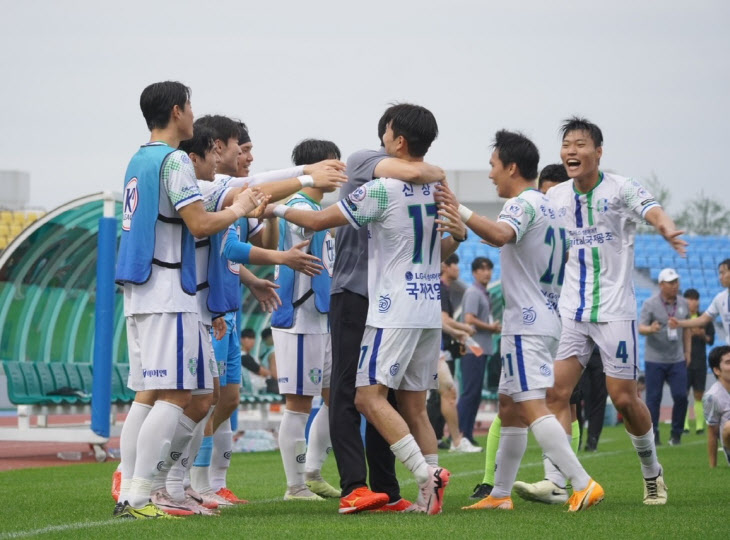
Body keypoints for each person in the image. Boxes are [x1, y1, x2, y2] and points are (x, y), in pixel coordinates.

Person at [270, 103, 467, 515]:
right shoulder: (434, 188)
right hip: (425, 304)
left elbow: (321, 220)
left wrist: (272, 207)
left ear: (396, 139)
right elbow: (442, 242)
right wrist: (444, 189)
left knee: (363, 396)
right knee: (403, 403)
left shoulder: (379, 186)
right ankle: (398, 491)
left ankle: (414, 479)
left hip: (387, 304)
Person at [512, 116, 686, 506]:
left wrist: (666, 226)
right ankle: (555, 480)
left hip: (614, 311)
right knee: (556, 392)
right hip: (571, 312)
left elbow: (653, 208)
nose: (571, 151)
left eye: (580, 144)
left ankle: (652, 473)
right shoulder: (555, 196)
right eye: (567, 145)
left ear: (598, 151)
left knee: (623, 398)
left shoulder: (621, 189)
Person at [114, 81, 265, 519]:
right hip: (169, 293)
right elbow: (199, 224)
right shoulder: (174, 159)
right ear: (177, 111)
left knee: (193, 394)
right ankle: (140, 495)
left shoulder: (138, 158)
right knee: (176, 394)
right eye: (191, 106)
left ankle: (157, 489)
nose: (194, 115)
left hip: (147, 291)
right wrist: (238, 211)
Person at [459, 130, 602, 512]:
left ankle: (582, 483)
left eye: (493, 166)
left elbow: (503, 234)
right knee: (509, 406)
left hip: (526, 321)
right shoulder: (552, 206)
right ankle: (500, 494)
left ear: (512, 167)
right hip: (545, 315)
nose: (490, 175)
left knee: (532, 404)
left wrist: (458, 209)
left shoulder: (521, 204)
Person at [324, 104, 451, 514]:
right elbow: (416, 171)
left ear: (397, 138)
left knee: (376, 396)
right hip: (358, 292)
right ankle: (355, 486)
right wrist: (438, 172)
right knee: (352, 392)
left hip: (390, 300)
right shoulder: (366, 160)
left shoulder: (404, 183)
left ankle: (389, 489)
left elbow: (417, 175)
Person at [270, 138, 341, 501]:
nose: (340, 172)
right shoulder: (298, 206)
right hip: (297, 316)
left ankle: (312, 472)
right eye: (335, 165)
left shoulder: (318, 207)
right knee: (298, 404)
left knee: (336, 398)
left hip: (321, 318)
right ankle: (295, 486)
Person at [639, 268, 691, 446]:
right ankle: (653, 434)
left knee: (681, 396)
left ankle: (676, 433)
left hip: (677, 358)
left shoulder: (683, 303)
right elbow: (641, 327)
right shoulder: (650, 304)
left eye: (676, 281)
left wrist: (688, 352)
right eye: (670, 282)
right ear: (661, 285)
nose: (675, 285)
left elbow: (687, 330)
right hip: (655, 359)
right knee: (653, 398)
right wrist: (650, 329)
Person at [436, 253, 481, 453]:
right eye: (454, 263)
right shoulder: (439, 287)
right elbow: (443, 319)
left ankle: (455, 440)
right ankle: (444, 439)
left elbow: (440, 320)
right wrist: (463, 329)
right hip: (427, 346)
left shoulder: (439, 287)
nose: (458, 268)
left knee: (447, 391)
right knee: (425, 397)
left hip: (435, 346)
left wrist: (458, 331)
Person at [457, 257, 500, 446]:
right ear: (474, 272)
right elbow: (469, 319)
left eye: (489, 268)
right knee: (470, 392)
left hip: (481, 348)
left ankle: (467, 433)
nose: (487, 272)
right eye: (482, 269)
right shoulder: (474, 292)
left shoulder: (484, 293)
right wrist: (490, 328)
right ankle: (459, 435)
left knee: (474, 394)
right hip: (474, 348)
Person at [670, 259, 730, 373]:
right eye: (719, 273)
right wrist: (679, 323)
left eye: (723, 272)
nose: (720, 277)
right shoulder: (720, 298)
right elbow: (703, 319)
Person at [683, 288, 715, 434]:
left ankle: (700, 426)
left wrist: (702, 335)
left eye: (696, 299)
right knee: (682, 394)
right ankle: (684, 426)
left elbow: (710, 340)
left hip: (700, 361)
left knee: (699, 394)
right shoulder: (681, 318)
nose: (693, 302)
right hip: (683, 361)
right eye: (690, 299)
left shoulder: (705, 319)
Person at [703, 346, 730, 467]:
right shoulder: (712, 396)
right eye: (728, 362)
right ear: (717, 370)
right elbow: (712, 432)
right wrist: (712, 466)